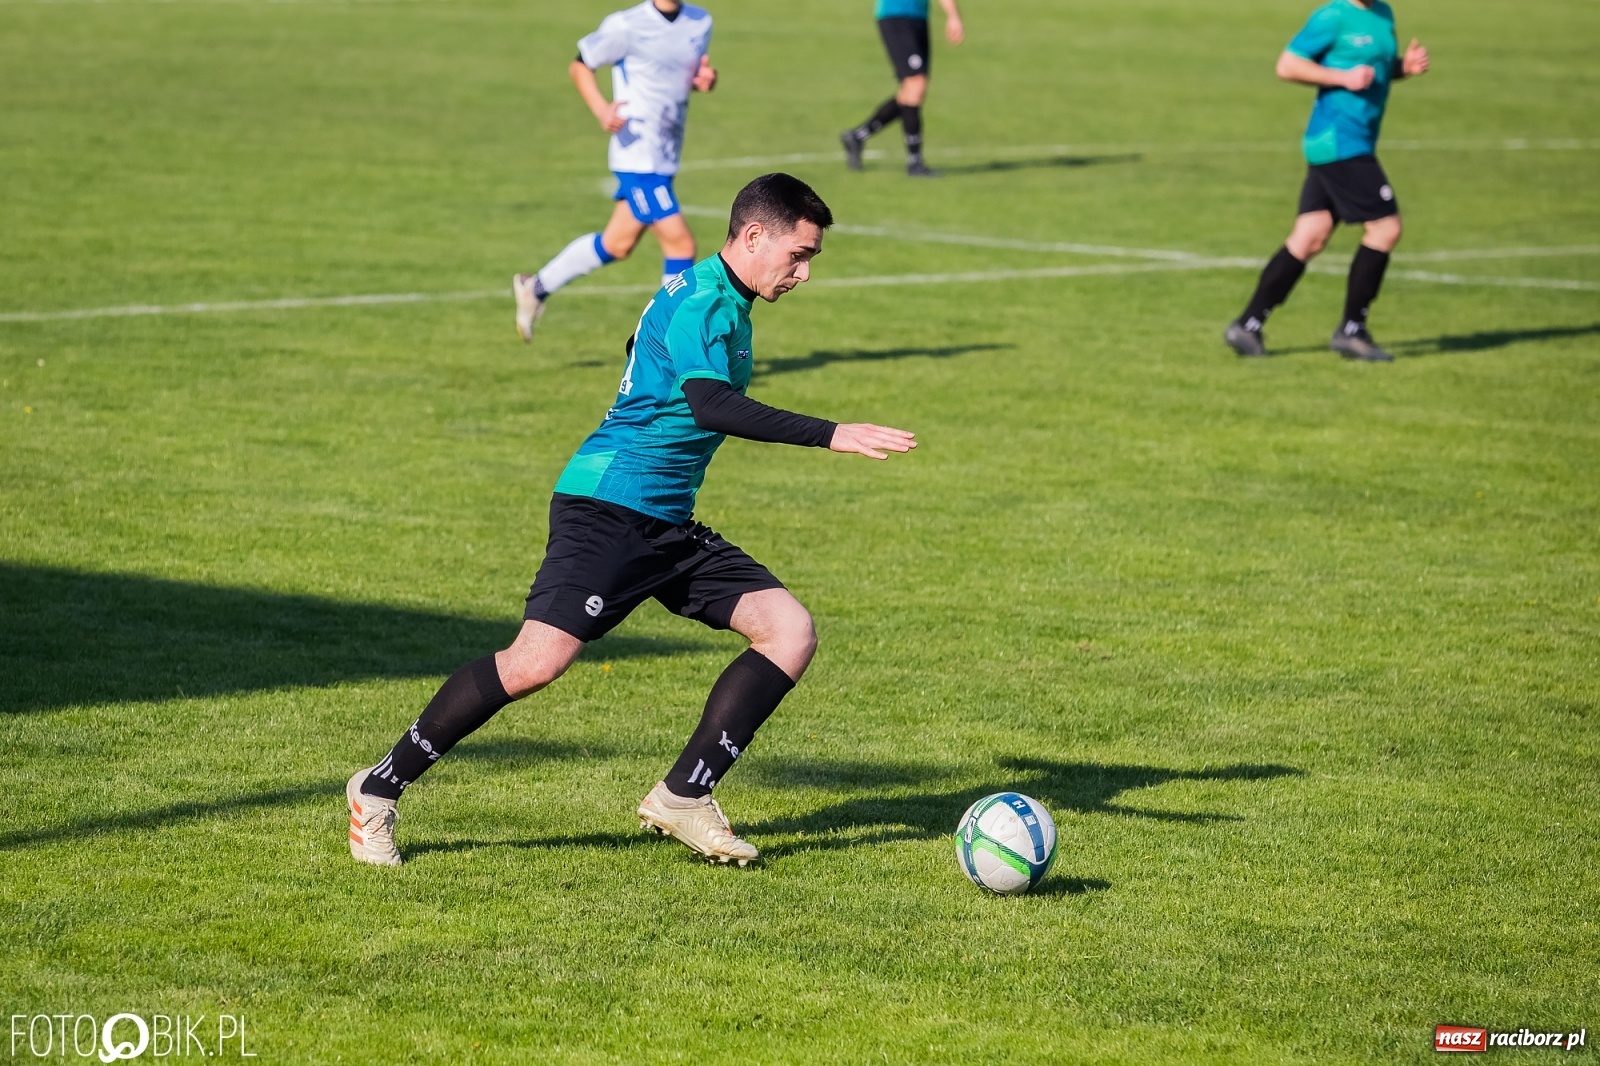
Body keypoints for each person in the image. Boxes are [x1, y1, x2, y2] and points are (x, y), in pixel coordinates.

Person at [351, 174, 918, 868]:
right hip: (608, 509)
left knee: (788, 630)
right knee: (536, 662)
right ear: (753, 236)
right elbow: (711, 405)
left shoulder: (716, 297)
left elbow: (638, 344)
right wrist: (831, 433)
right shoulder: (705, 302)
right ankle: (378, 789)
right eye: (798, 256)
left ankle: (685, 795)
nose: (803, 273)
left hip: (666, 521)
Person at [1223, 0, 1429, 362]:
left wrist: (1403, 68)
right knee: (1385, 228)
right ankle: (1352, 330)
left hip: (1349, 142)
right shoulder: (1332, 17)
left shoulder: (1383, 14)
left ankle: (1247, 325)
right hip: (1339, 142)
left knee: (1310, 235)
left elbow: (1375, 70)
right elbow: (1287, 65)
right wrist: (1342, 78)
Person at [513, 0, 718, 343]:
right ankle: (668, 345)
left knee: (617, 244)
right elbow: (581, 65)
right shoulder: (626, 25)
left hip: (665, 154)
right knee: (681, 245)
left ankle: (535, 288)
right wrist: (601, 110)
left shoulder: (700, 21)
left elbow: (682, 75)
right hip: (637, 156)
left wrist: (703, 80)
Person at [838, 0, 965, 177]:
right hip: (896, 15)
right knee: (916, 84)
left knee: (911, 91)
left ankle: (857, 136)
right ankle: (915, 162)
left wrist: (953, 16)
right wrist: (952, 16)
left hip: (919, 16)